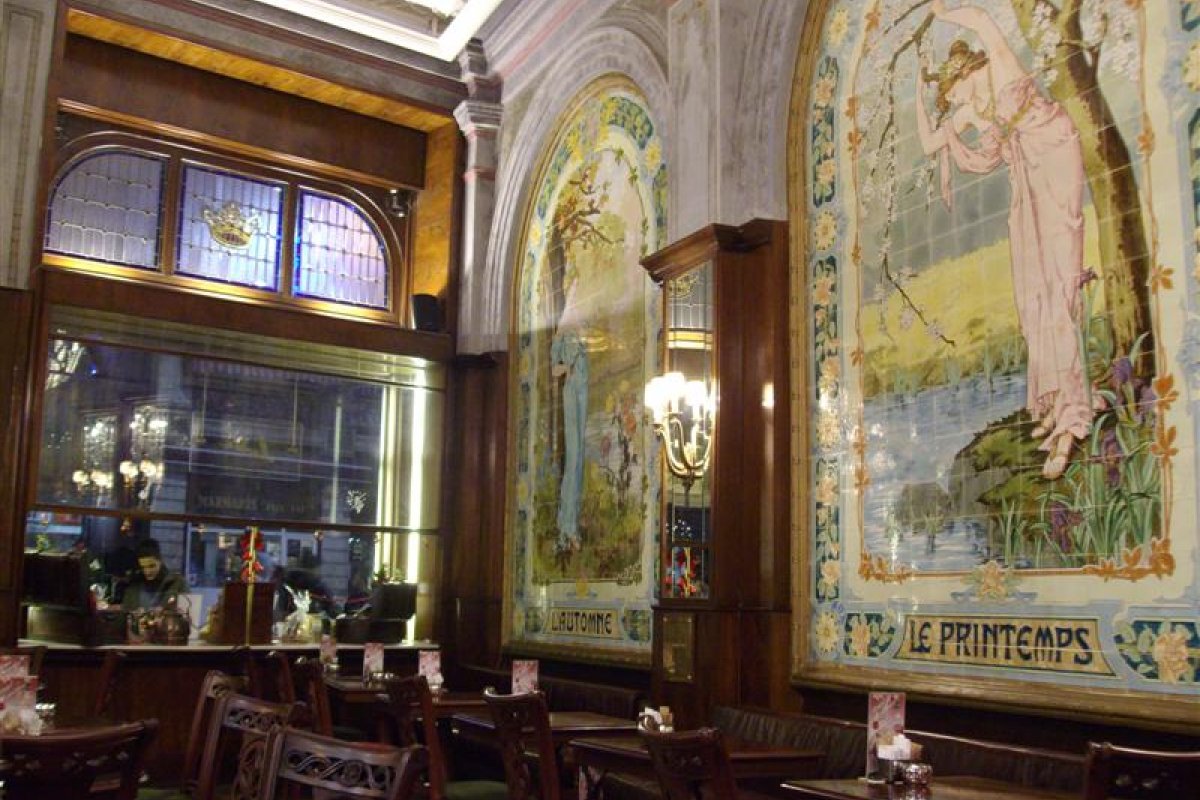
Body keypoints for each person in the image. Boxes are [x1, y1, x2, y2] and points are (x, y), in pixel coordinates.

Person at [914, 0, 1092, 480]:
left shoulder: (1000, 65)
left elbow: (982, 19)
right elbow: (931, 142)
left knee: (1058, 287)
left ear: (966, 73)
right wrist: (916, 86)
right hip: (1025, 183)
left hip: (1053, 156)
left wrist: (941, 11)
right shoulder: (975, 111)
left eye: (954, 92)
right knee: (1033, 296)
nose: (957, 104)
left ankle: (1072, 420)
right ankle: (1056, 401)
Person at [551, 265, 588, 552]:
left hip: (584, 392)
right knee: (573, 456)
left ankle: (573, 521)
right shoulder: (562, 333)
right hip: (572, 391)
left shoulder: (584, 330)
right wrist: (567, 368)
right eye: (574, 291)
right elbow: (554, 369)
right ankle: (566, 525)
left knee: (581, 457)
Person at [121, 538, 189, 611]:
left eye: (151, 566)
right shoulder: (133, 587)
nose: (147, 572)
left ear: (160, 560)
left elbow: (187, 613)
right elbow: (125, 614)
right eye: (143, 567)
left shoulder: (178, 583)